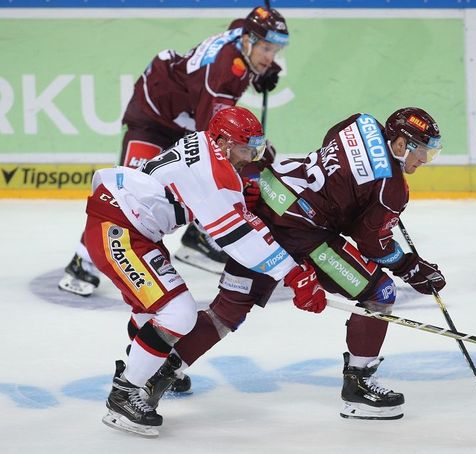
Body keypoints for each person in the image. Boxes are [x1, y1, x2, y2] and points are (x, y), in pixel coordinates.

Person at [152, 107, 447, 421]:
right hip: (303, 233)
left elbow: (330, 144)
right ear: (400, 145)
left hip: (264, 203)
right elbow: (372, 244)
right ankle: (359, 385)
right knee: (380, 292)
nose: (423, 161)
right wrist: (410, 267)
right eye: (422, 153)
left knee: (228, 309)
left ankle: (158, 370)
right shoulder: (393, 190)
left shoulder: (361, 122)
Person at [83, 106, 325, 437]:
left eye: (254, 147)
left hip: (129, 224)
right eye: (245, 148)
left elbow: (194, 198)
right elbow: (241, 239)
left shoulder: (203, 142)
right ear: (224, 142)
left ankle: (143, 368)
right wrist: (293, 273)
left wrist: (237, 196)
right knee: (179, 313)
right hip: (118, 230)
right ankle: (124, 395)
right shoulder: (217, 175)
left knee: (151, 310)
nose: (250, 156)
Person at [59, 6, 289, 296]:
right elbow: (212, 138)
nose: (270, 57)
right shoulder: (222, 74)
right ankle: (83, 263)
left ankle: (199, 237)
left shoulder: (242, 37)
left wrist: (263, 72)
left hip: (182, 115)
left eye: (275, 50)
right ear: (248, 40)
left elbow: (237, 24)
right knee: (125, 196)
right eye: (266, 49)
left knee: (195, 178)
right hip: (151, 117)